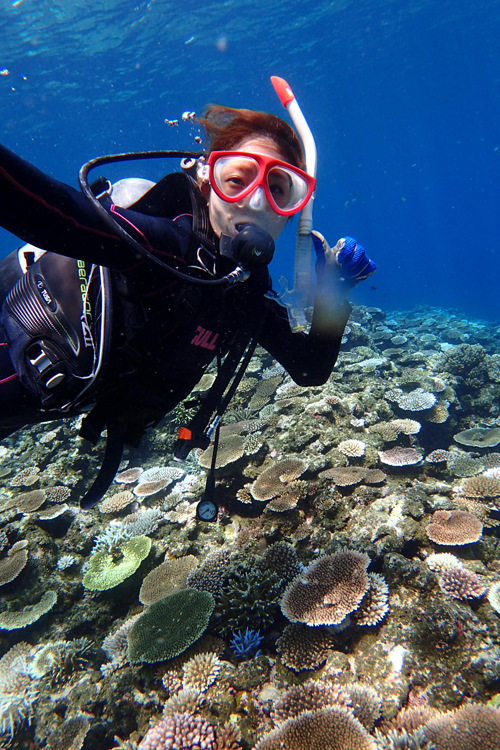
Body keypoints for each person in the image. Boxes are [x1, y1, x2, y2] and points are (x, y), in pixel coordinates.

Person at [0, 101, 375, 509]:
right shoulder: (163, 245)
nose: (256, 201)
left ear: (292, 214)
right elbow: (58, 216)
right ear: (208, 184)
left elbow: (310, 368)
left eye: (278, 190)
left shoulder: (243, 295)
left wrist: (334, 294)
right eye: (237, 180)